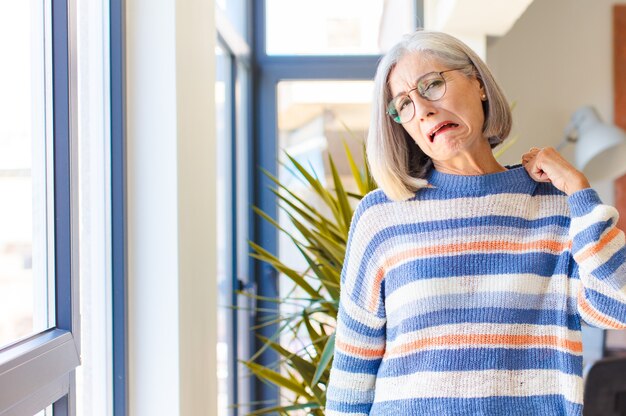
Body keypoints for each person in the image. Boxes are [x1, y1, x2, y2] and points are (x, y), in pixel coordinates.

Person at [324, 29, 626, 416]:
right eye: (404, 104)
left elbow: (619, 305)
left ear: (478, 84)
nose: (424, 109)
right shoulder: (381, 217)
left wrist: (580, 191)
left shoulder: (557, 210)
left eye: (432, 85)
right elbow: (352, 372)